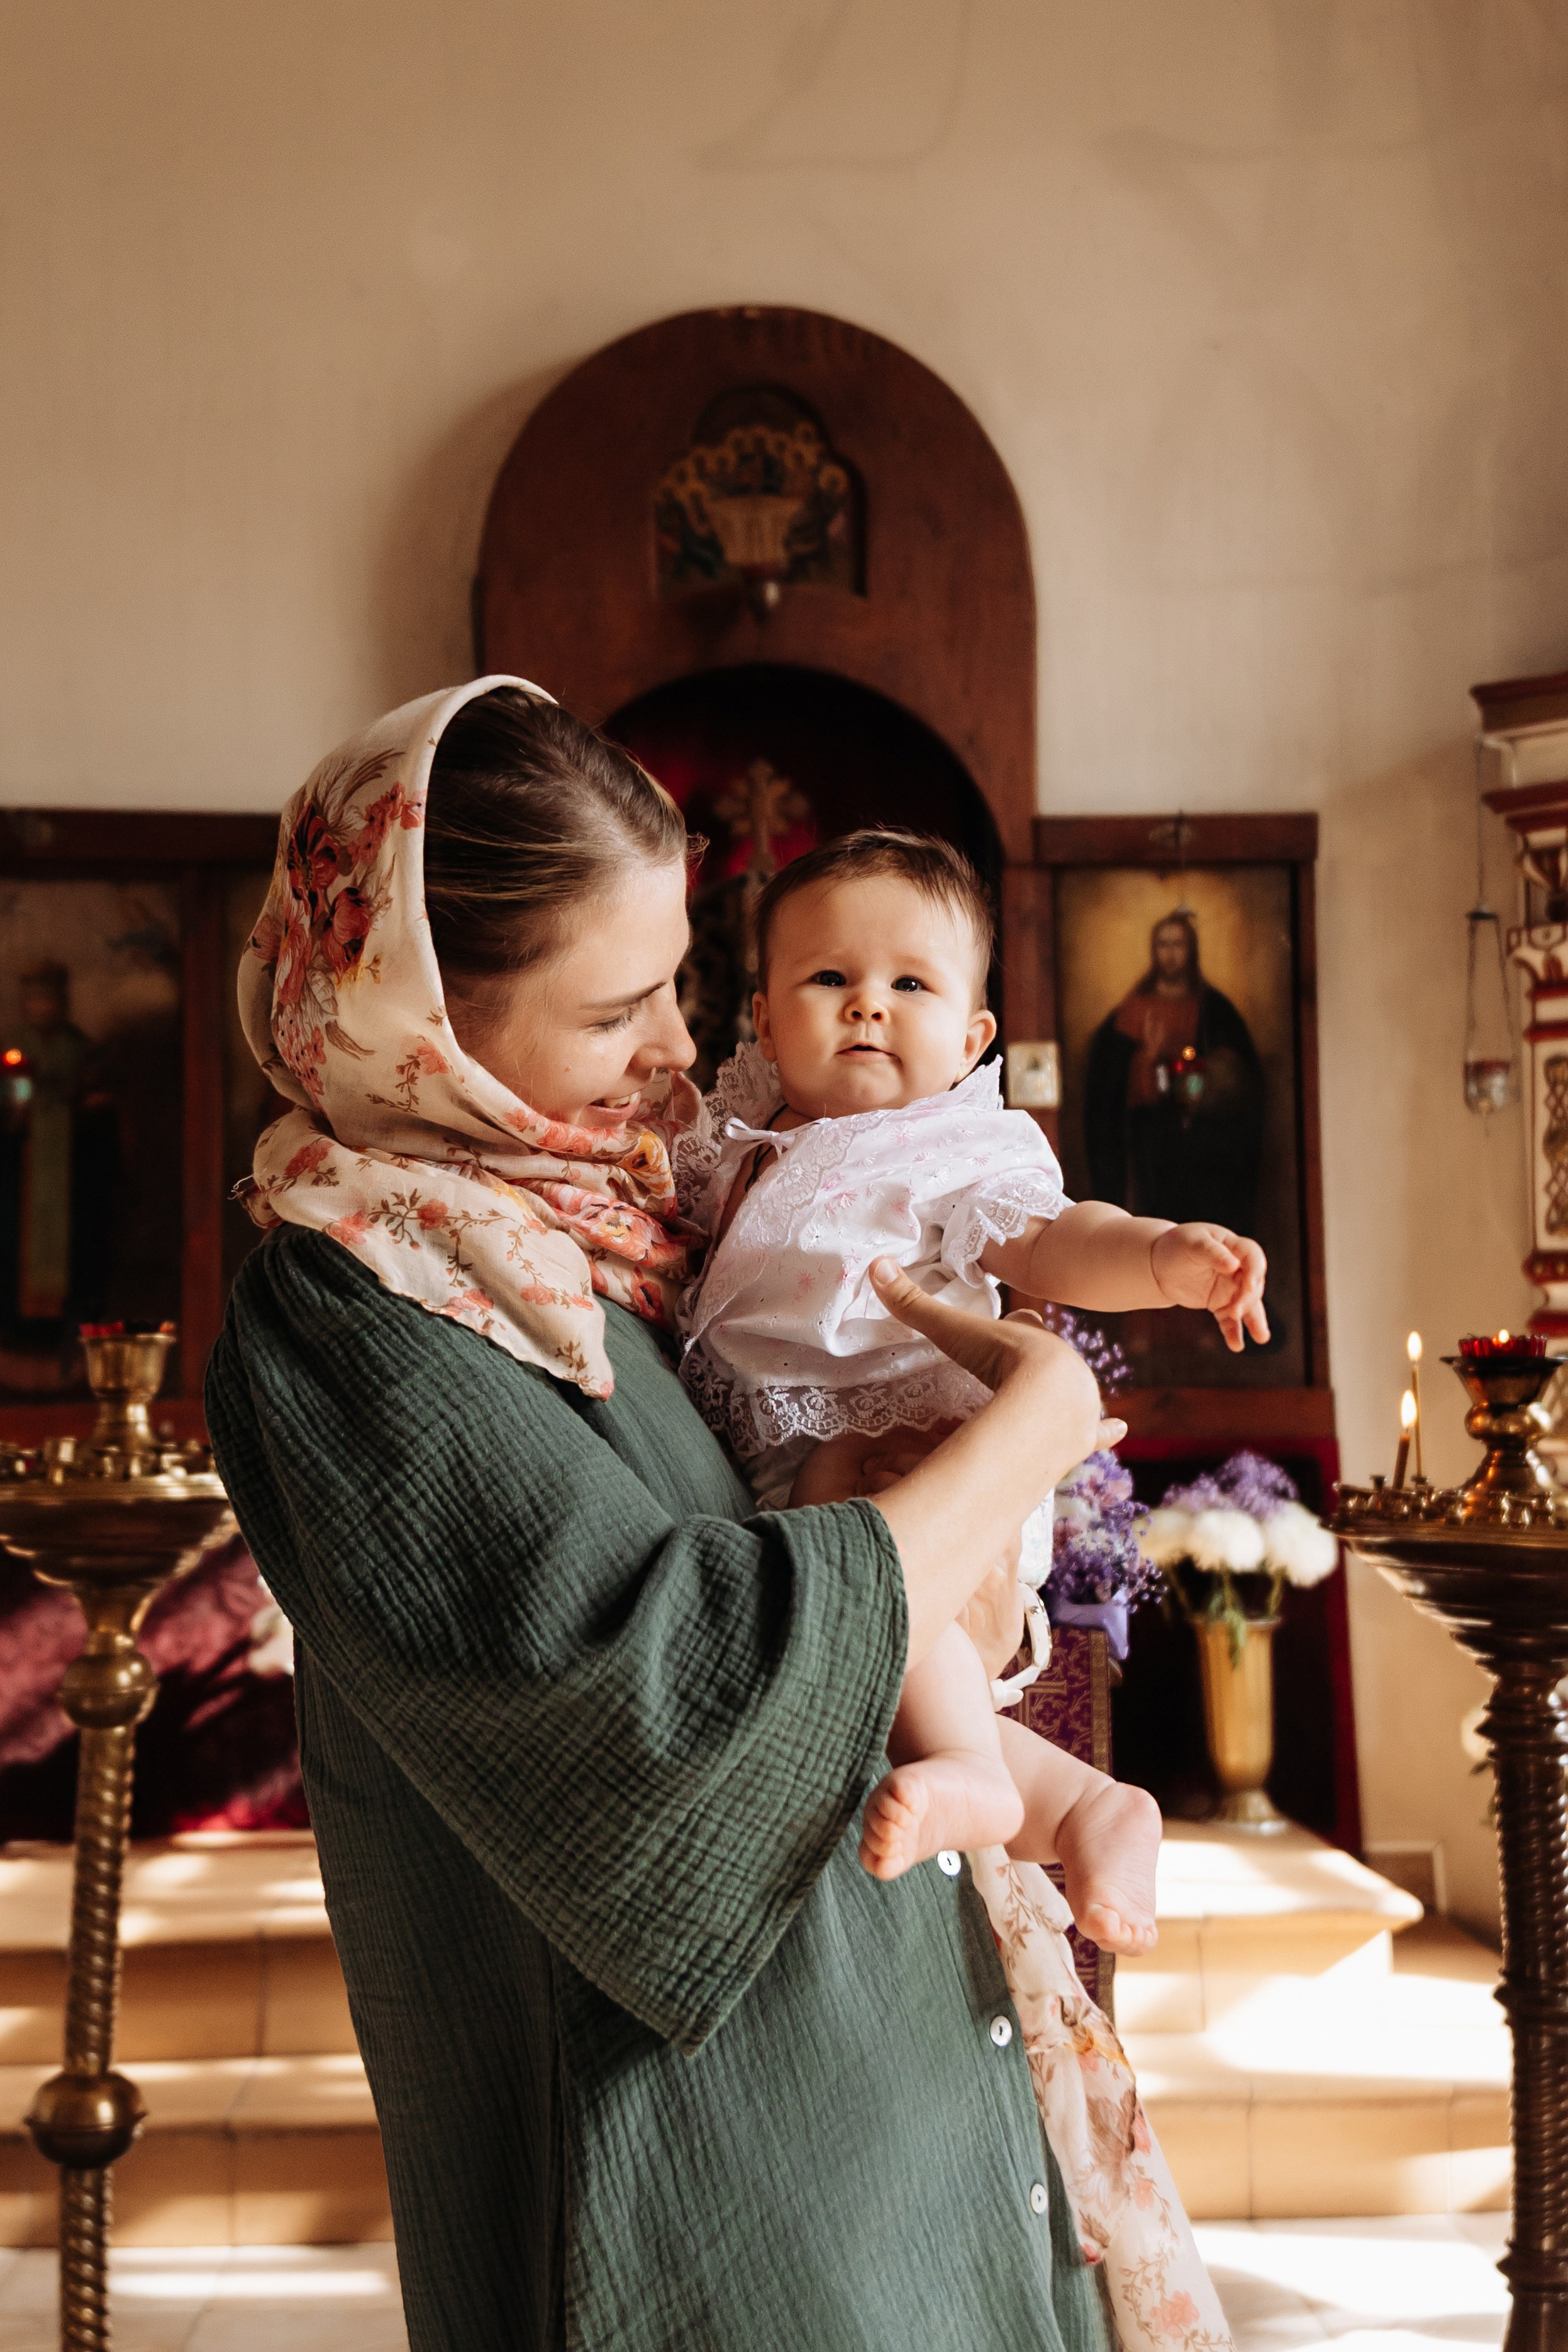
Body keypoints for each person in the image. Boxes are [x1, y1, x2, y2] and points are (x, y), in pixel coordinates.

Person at [206, 679, 1123, 2352]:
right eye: (616, 1007)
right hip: (709, 2179)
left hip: (901, 2083)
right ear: (420, 1017)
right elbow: (657, 1704)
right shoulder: (345, 1312)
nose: (680, 1051)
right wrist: (1030, 1431)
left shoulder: (627, 1229)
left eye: (681, 985)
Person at [677, 832, 1269, 1944]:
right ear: (760, 1016)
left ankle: (969, 1769)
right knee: (880, 1641)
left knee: (856, 1528)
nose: (866, 1005)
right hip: (780, 1460)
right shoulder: (733, 1138)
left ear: (971, 1036)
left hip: (910, 1437)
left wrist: (1156, 1257)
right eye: (827, 979)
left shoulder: (951, 1147)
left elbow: (1050, 1239)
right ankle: (1089, 1802)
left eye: (909, 983)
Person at [1084, 910, 1264, 1237]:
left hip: (1203, 1141)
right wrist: (1146, 1058)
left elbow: (1242, 1079)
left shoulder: (1215, 1009)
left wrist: (1214, 1074)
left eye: (1178, 944)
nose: (1170, 953)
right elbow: (1107, 1081)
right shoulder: (1132, 1010)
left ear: (1191, 949)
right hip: (1148, 1137)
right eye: (1163, 944)